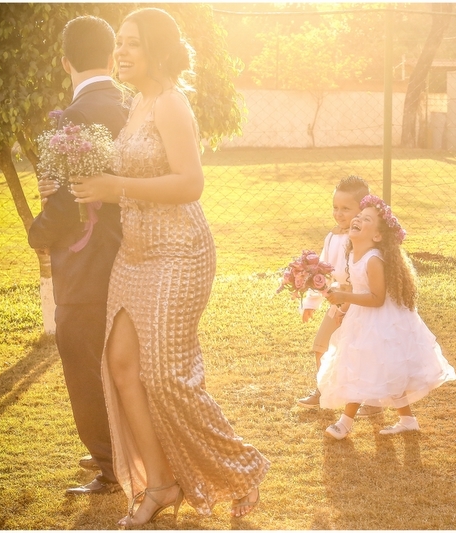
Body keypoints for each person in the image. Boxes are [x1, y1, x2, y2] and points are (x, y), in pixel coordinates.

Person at [70, 8, 268, 526]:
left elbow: (190, 183)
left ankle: (243, 468)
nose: (123, 53)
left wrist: (117, 187)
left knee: (167, 377)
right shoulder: (134, 102)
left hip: (179, 252)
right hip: (133, 254)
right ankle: (160, 483)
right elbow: (131, 170)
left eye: (134, 43)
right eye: (121, 43)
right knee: (120, 367)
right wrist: (88, 174)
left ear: (157, 49)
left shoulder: (172, 104)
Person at [28, 15, 127, 496]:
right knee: (124, 358)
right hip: (132, 254)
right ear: (112, 57)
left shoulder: (72, 117)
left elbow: (69, 200)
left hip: (86, 264)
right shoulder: (132, 106)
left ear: (65, 62)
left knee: (82, 359)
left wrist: (38, 232)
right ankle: (121, 448)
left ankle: (110, 462)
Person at [318, 195, 456, 440]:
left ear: (377, 236)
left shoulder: (373, 260)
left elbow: (376, 298)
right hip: (364, 319)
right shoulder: (353, 255)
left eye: (367, 219)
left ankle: (345, 422)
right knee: (387, 370)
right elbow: (359, 290)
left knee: (364, 366)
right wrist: (342, 306)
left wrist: (343, 296)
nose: (358, 219)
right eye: (359, 216)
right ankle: (407, 419)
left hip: (382, 321)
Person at [296, 176, 383, 417]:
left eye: (346, 208)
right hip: (338, 298)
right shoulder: (332, 237)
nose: (339, 214)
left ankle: (373, 400)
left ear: (362, 209)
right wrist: (311, 303)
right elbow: (321, 272)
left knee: (362, 351)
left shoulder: (363, 238)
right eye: (335, 207)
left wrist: (350, 300)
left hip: (359, 300)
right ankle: (324, 390)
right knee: (321, 346)